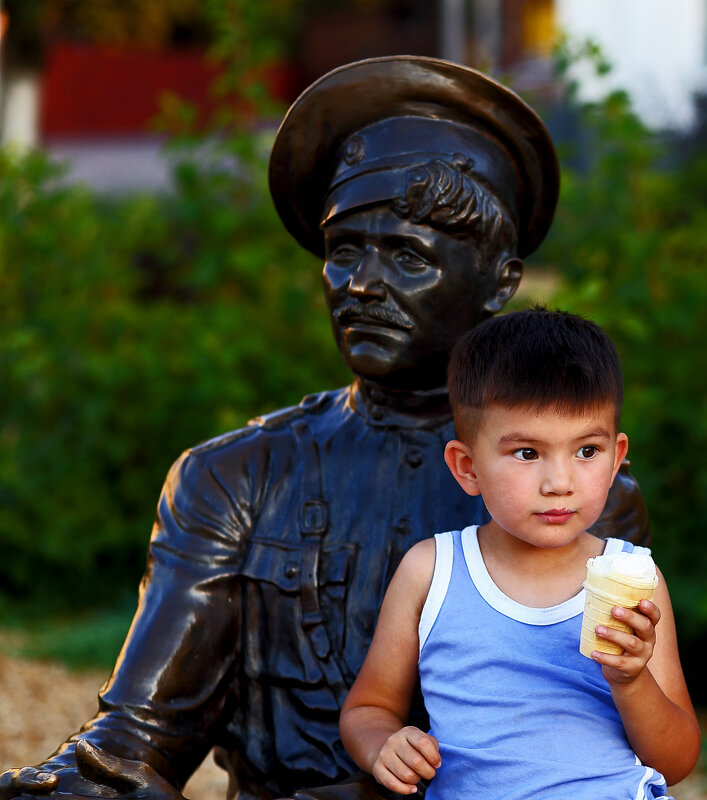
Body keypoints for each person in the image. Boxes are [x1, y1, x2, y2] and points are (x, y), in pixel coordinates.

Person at [0, 56, 647, 800]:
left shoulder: (574, 497)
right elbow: (138, 737)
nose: (361, 283)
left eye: (406, 256)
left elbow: (557, 751)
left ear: (499, 281)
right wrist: (75, 784)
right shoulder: (234, 477)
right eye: (345, 252)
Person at [339, 308, 700, 798]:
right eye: (527, 453)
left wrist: (631, 682)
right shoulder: (433, 572)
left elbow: (676, 760)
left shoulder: (638, 580)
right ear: (467, 467)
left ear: (617, 458)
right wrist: (384, 743)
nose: (559, 483)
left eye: (586, 451)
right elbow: (368, 709)